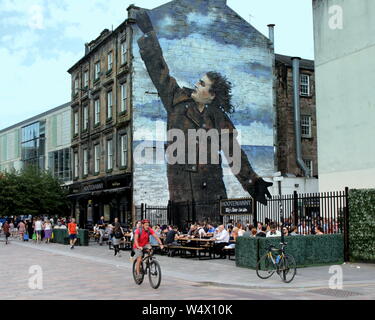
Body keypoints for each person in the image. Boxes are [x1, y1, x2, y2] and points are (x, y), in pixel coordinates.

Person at [135, 10, 273, 226]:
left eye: (201, 84)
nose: (196, 85)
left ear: (211, 95)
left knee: (211, 229)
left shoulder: (219, 118)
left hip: (211, 188)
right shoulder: (175, 100)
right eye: (199, 81)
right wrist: (149, 33)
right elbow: (158, 69)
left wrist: (253, 183)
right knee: (183, 230)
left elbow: (234, 154)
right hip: (181, 187)